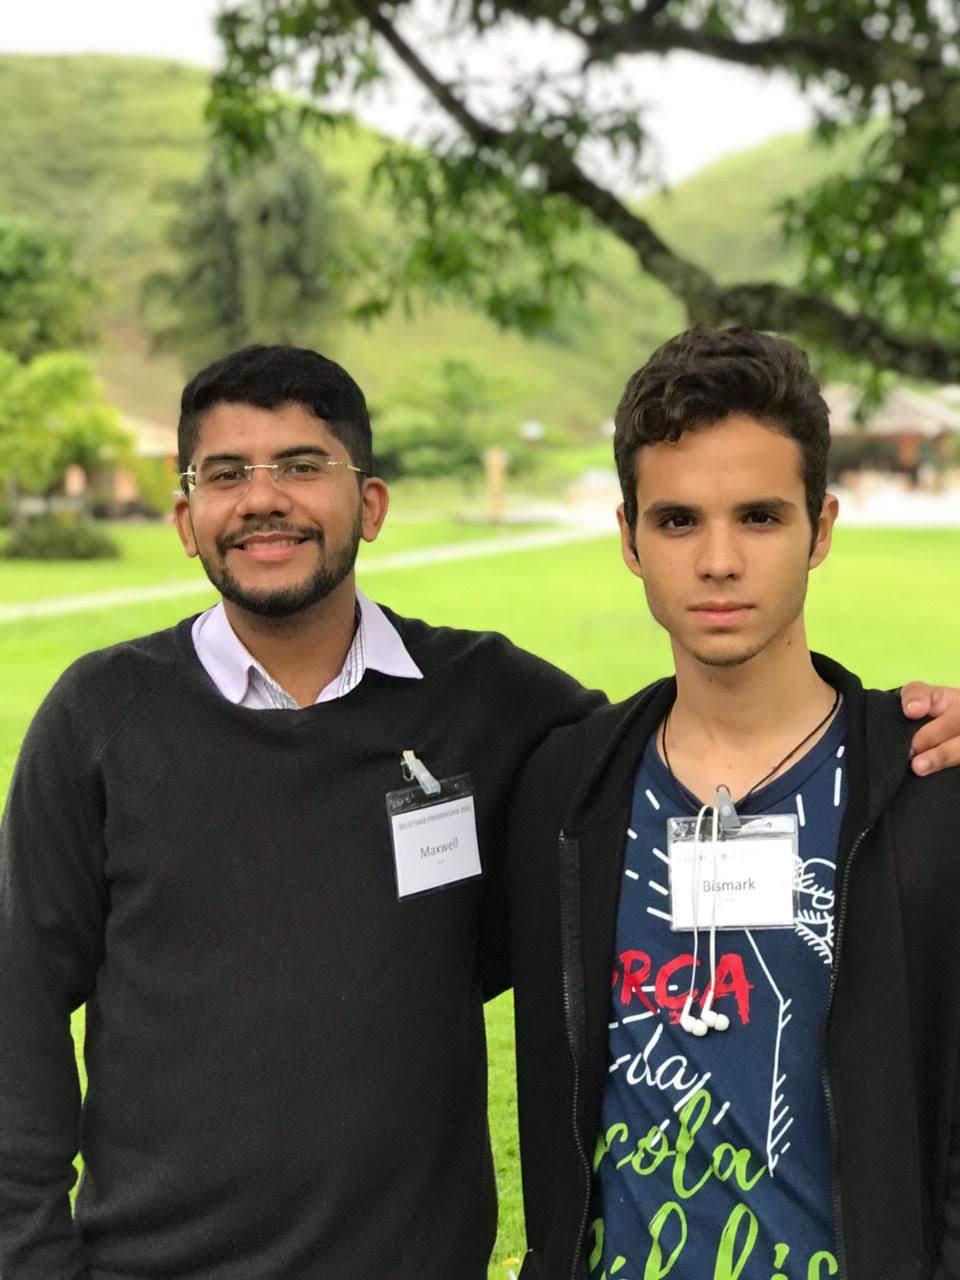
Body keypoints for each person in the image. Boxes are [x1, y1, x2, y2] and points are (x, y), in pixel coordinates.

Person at [0, 343, 956, 1280]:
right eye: (225, 474)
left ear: (371, 504)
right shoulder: (102, 720)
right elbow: (19, 1001)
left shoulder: (498, 710)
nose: (262, 499)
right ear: (184, 516)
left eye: (301, 465)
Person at [508, 325, 960, 1280]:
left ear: (821, 529)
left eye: (759, 517)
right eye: (678, 521)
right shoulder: (566, 786)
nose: (718, 561)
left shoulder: (927, 781)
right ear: (629, 538)